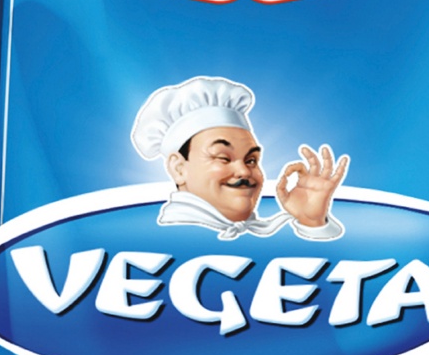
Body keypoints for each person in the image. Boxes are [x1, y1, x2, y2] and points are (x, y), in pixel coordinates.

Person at [130, 76, 348, 240]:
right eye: (223, 158)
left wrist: (312, 221)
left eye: (251, 160)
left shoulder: (266, 238)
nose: (244, 171)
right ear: (179, 168)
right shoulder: (158, 240)